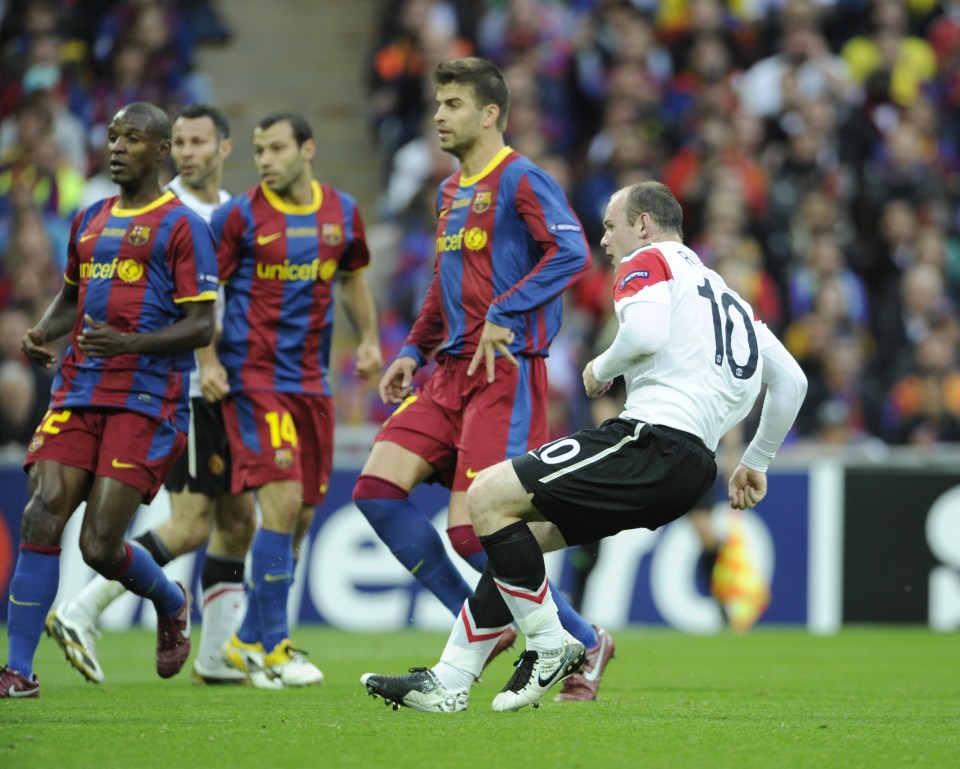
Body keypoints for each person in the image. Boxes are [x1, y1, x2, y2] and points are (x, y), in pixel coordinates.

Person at [361, 181, 807, 712]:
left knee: (485, 497)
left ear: (642, 224)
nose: (603, 241)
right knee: (514, 539)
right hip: (693, 469)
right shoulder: (729, 298)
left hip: (649, 438)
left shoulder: (648, 263)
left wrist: (600, 370)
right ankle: (451, 678)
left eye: (610, 226)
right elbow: (793, 383)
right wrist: (755, 462)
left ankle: (553, 643)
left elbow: (643, 335)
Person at [351, 56, 614, 702]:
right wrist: (412, 347)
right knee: (377, 491)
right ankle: (499, 626)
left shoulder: (522, 178)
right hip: (445, 373)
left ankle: (577, 635)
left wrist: (508, 310)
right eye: (438, 104)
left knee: (474, 531)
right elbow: (445, 291)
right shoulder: (448, 192)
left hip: (504, 373)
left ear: (490, 113)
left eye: (453, 104)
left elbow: (573, 251)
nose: (439, 115)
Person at [0, 101, 219, 698]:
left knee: (99, 545)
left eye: (132, 138)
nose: (117, 147)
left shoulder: (182, 226)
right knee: (41, 511)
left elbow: (202, 326)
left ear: (161, 151)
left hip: (147, 399)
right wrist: (44, 330)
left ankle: (170, 600)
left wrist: (128, 343)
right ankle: (18, 670)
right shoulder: (90, 218)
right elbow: (72, 298)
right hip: (78, 390)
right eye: (114, 137)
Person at [44, 103, 257, 686]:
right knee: (189, 524)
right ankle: (84, 608)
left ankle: (217, 661)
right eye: (181, 141)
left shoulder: (233, 215)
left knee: (239, 521)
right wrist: (205, 362)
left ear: (222, 148)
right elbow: (196, 315)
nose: (189, 151)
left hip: (239, 389)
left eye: (198, 142)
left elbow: (227, 302)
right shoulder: (163, 217)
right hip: (181, 386)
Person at [215, 111, 381, 688]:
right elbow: (201, 294)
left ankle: (245, 643)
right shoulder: (236, 216)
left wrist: (367, 339)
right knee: (281, 505)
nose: (265, 160)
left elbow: (353, 278)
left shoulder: (342, 212)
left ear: (306, 150)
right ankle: (278, 646)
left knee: (303, 515)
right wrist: (207, 361)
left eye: (277, 148)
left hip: (312, 382)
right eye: (259, 150)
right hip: (255, 379)